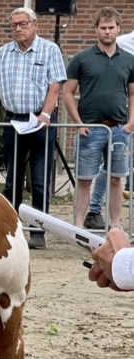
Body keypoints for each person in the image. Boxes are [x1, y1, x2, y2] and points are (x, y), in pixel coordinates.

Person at [0, 7, 66, 250]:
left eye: (22, 24)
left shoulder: (50, 50)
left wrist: (46, 113)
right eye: (13, 25)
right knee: (13, 179)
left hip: (40, 121)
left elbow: (54, 87)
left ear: (34, 25)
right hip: (13, 120)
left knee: (40, 180)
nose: (18, 29)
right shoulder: (3, 53)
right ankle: (10, 227)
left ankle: (38, 230)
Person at [63, 7, 134, 231]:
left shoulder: (129, 60)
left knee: (116, 179)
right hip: (91, 128)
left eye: (111, 27)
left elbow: (133, 93)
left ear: (118, 29)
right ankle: (77, 225)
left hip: (119, 129)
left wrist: (131, 123)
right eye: (103, 28)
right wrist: (78, 123)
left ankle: (114, 226)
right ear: (96, 30)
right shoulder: (81, 59)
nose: (107, 32)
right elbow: (67, 92)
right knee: (84, 179)